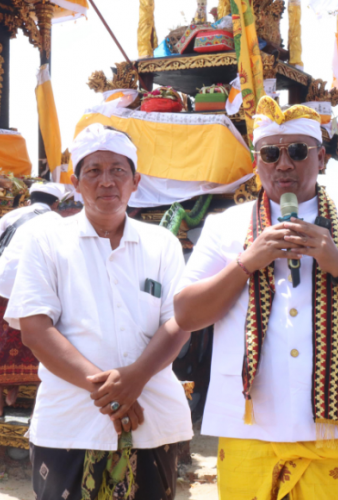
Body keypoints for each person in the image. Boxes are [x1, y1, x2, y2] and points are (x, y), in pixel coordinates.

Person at [174, 96, 338, 500]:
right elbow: (186, 314)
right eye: (271, 153)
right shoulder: (224, 227)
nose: (284, 164)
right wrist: (247, 263)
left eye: (297, 151)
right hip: (250, 426)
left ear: (320, 158)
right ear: (256, 162)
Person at [4, 124, 193, 500]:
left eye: (117, 170)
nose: (106, 181)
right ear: (75, 182)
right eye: (93, 171)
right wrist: (114, 394)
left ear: (136, 181)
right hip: (70, 424)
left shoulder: (163, 243)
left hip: (153, 420)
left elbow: (179, 322)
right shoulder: (46, 240)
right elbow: (36, 329)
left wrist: (136, 378)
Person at [0, 182, 64, 413]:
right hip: (30, 286)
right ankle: (34, 406)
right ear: (56, 204)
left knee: (2, 340)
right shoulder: (58, 221)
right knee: (40, 341)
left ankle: (6, 396)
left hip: (2, 283)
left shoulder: (12, 215)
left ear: (30, 198)